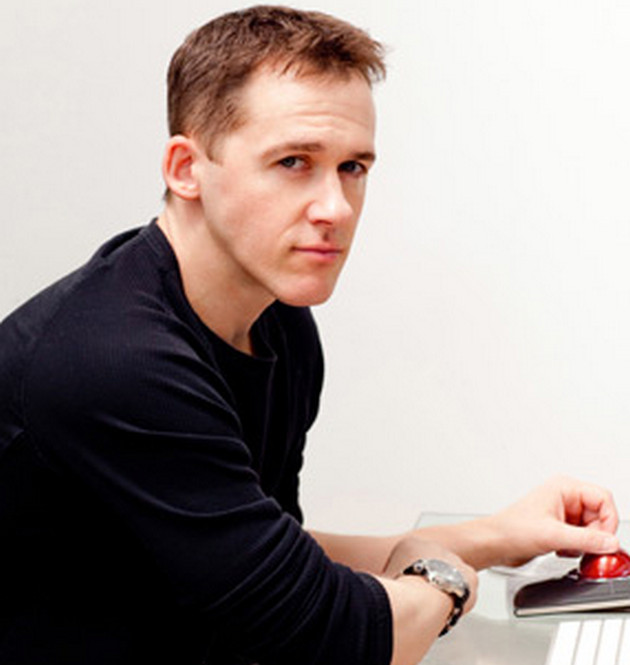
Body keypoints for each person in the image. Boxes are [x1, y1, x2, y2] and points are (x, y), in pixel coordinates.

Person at [0, 6, 620, 665]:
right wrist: (441, 583)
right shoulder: (118, 360)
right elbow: (324, 638)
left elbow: (269, 561)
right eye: (294, 161)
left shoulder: (277, 321)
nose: (336, 208)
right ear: (185, 168)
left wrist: (493, 536)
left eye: (353, 167)